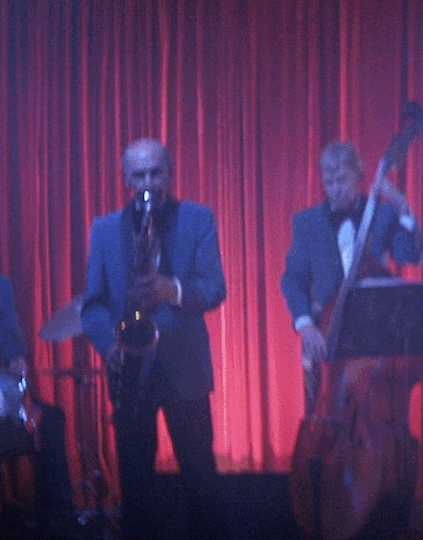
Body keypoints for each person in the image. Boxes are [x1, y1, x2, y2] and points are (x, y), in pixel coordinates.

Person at [81, 138, 227, 539]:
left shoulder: (198, 218)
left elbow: (214, 287)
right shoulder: (104, 229)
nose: (148, 183)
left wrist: (173, 290)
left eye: (156, 173)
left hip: (184, 368)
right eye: (139, 175)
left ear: (170, 173)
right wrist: (111, 346)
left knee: (201, 477)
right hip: (130, 371)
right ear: (126, 179)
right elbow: (92, 305)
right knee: (135, 484)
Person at [280, 141, 423, 539]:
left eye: (341, 180)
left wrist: (402, 207)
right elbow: (292, 279)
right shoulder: (307, 222)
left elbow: (410, 255)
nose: (334, 188)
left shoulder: (380, 214)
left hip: (374, 333)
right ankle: (326, 506)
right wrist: (305, 325)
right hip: (325, 336)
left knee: (374, 415)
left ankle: (381, 509)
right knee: (326, 424)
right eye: (328, 181)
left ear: (360, 178)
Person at [0, 274, 74, 537]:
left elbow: (10, 331)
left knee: (52, 418)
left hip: (5, 394)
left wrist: (16, 358)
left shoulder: (2, 286)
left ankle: (54, 514)